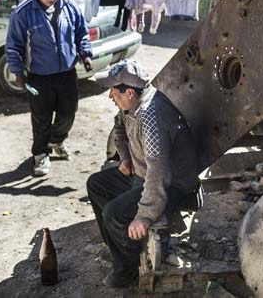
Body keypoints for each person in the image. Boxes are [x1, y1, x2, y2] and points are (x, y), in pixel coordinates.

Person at [86, 60, 201, 288]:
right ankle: (116, 248)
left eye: (114, 91)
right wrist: (125, 156)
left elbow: (159, 172)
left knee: (114, 214)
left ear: (129, 92)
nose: (111, 96)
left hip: (174, 186)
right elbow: (119, 126)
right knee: (96, 184)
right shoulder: (131, 104)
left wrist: (144, 215)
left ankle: (126, 270)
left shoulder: (152, 116)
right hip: (143, 174)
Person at [5, 0, 93, 176]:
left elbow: (81, 33)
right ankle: (40, 154)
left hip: (66, 73)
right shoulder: (22, 13)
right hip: (38, 76)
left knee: (68, 113)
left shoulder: (70, 8)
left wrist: (86, 53)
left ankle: (56, 140)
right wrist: (18, 73)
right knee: (41, 118)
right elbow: (13, 46)